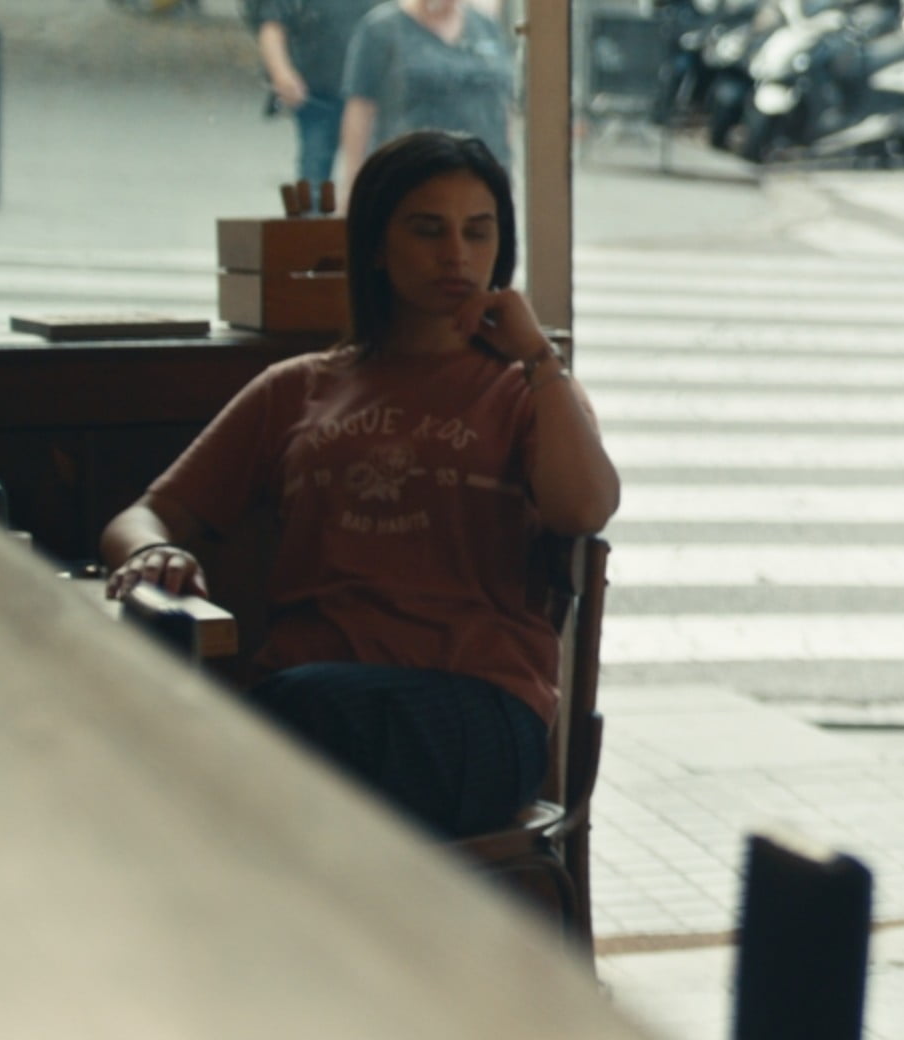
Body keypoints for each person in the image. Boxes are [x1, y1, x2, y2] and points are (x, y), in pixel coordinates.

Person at [103, 131, 620, 840]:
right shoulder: (300, 388)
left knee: (255, 744)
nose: (457, 256)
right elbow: (147, 514)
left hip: (476, 714)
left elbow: (587, 507)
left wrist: (538, 357)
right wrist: (146, 554)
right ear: (376, 245)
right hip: (310, 698)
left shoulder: (526, 390)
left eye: (479, 232)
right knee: (283, 748)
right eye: (428, 230)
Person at [334, 0, 519, 198]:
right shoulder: (381, 29)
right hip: (410, 181)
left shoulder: (486, 27)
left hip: (482, 180)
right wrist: (352, 188)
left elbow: (502, 105)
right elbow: (360, 110)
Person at [254, 0, 388, 191]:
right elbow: (272, 25)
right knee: (314, 177)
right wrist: (281, 74)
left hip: (376, 98)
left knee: (380, 177)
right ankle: (310, 218)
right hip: (319, 95)